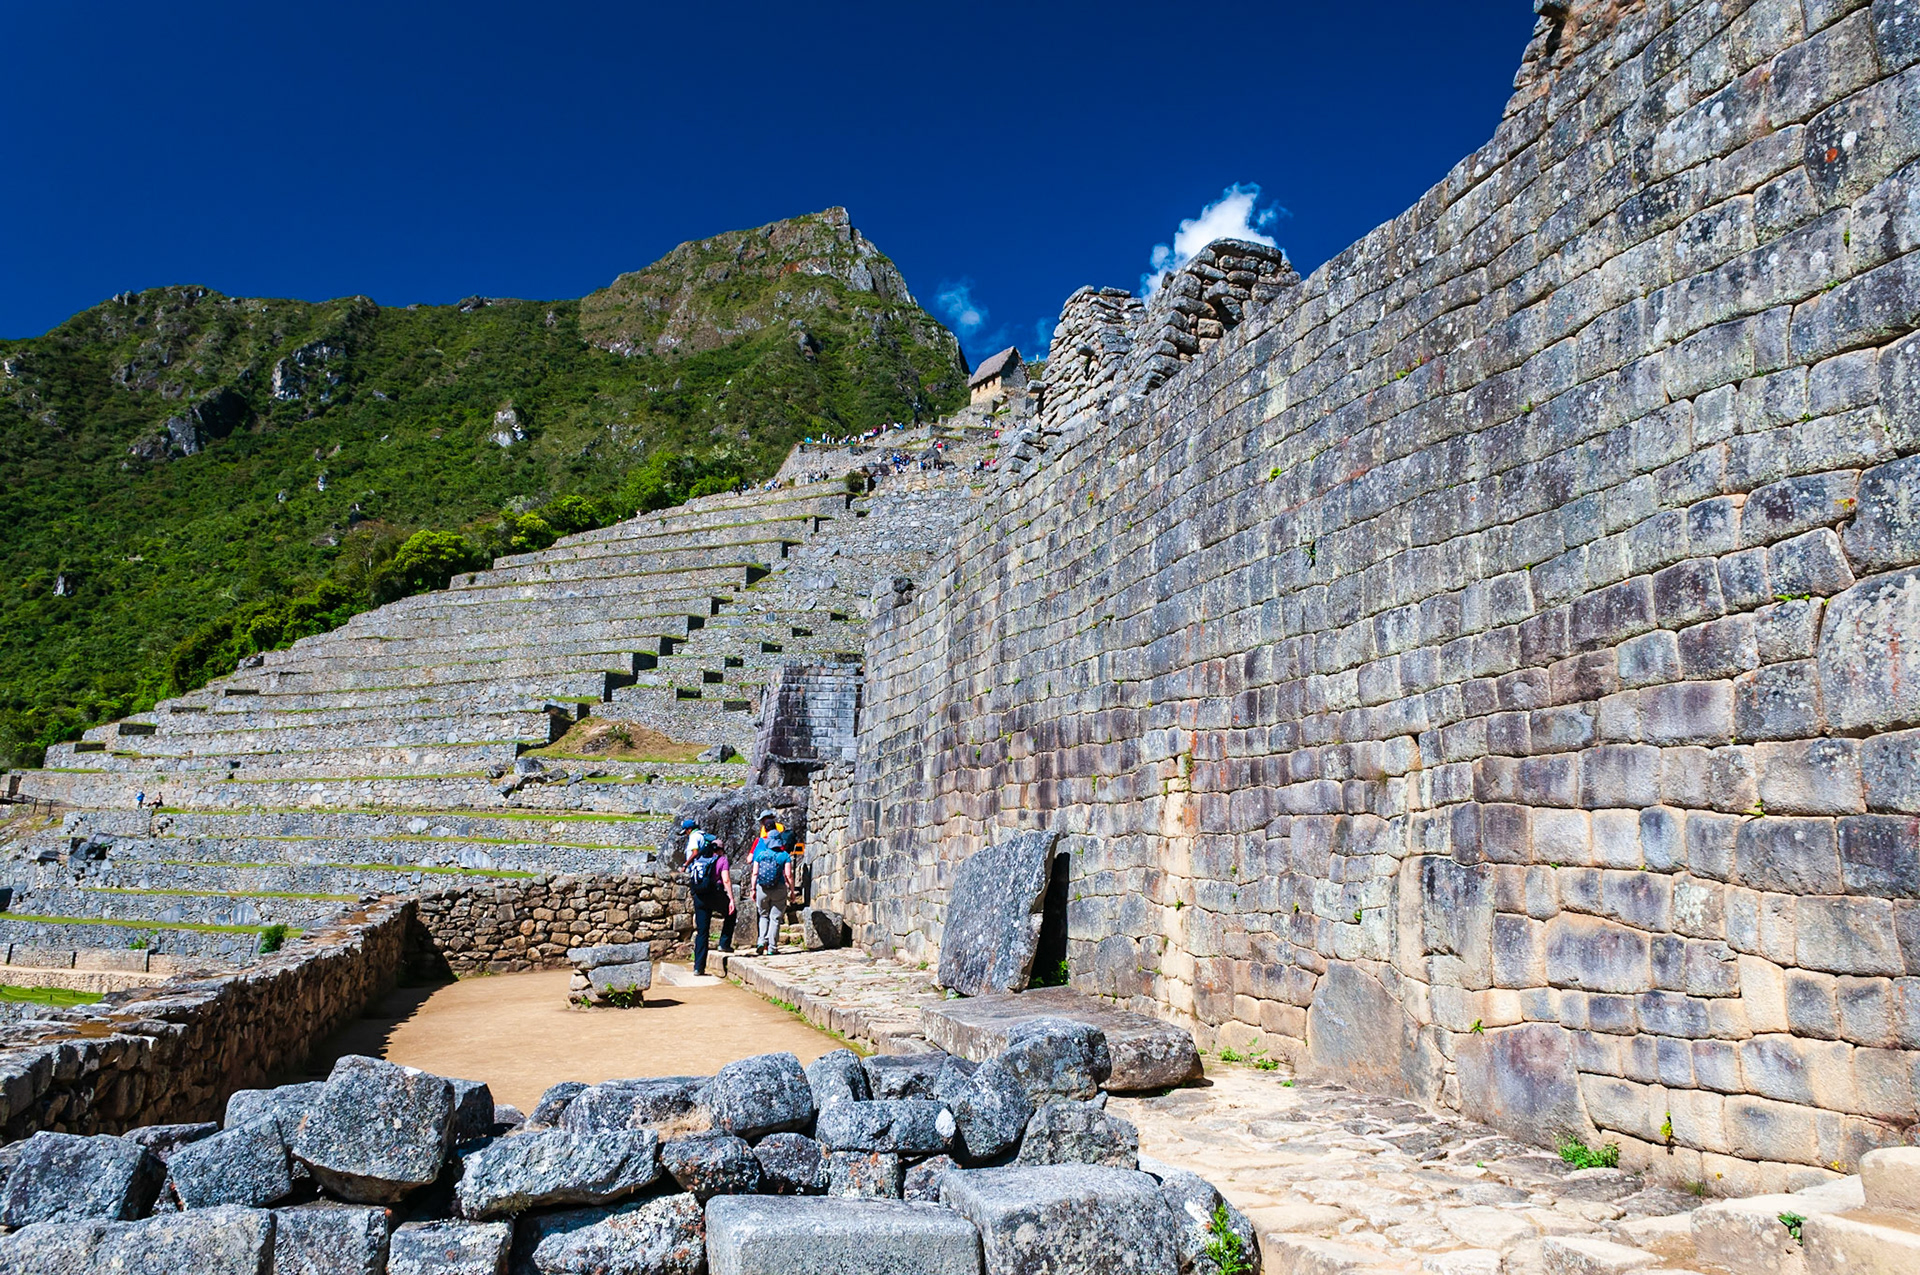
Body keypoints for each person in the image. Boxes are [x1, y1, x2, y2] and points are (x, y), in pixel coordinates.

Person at [684, 832, 732, 977]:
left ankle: (698, 967)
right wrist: (731, 900)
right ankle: (724, 943)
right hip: (715, 895)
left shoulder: (699, 859)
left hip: (699, 896)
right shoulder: (721, 860)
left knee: (702, 932)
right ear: (719, 849)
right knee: (731, 913)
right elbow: (726, 880)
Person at [749, 810, 794, 955]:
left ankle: (761, 941)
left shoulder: (761, 854)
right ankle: (772, 948)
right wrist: (792, 891)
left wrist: (753, 889)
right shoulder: (784, 855)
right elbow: (788, 874)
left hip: (762, 888)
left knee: (763, 915)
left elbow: (754, 872)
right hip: (779, 887)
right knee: (775, 918)